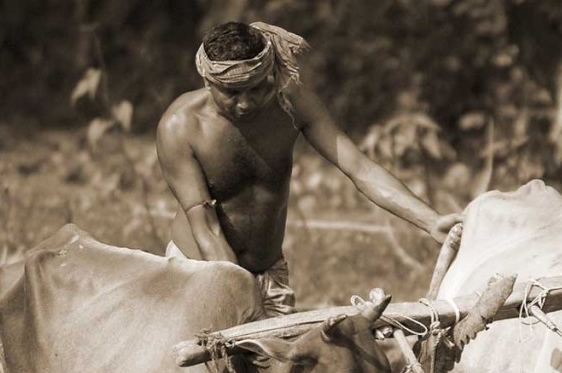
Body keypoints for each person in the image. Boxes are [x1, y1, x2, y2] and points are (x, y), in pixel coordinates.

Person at [156, 21, 462, 318]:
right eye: (232, 93)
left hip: (269, 273)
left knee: (286, 367)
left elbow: (358, 167)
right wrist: (245, 300)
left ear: (272, 72)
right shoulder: (181, 127)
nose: (247, 103)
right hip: (199, 271)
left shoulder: (291, 102)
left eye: (257, 88)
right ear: (208, 83)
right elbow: (205, 227)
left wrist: (431, 221)